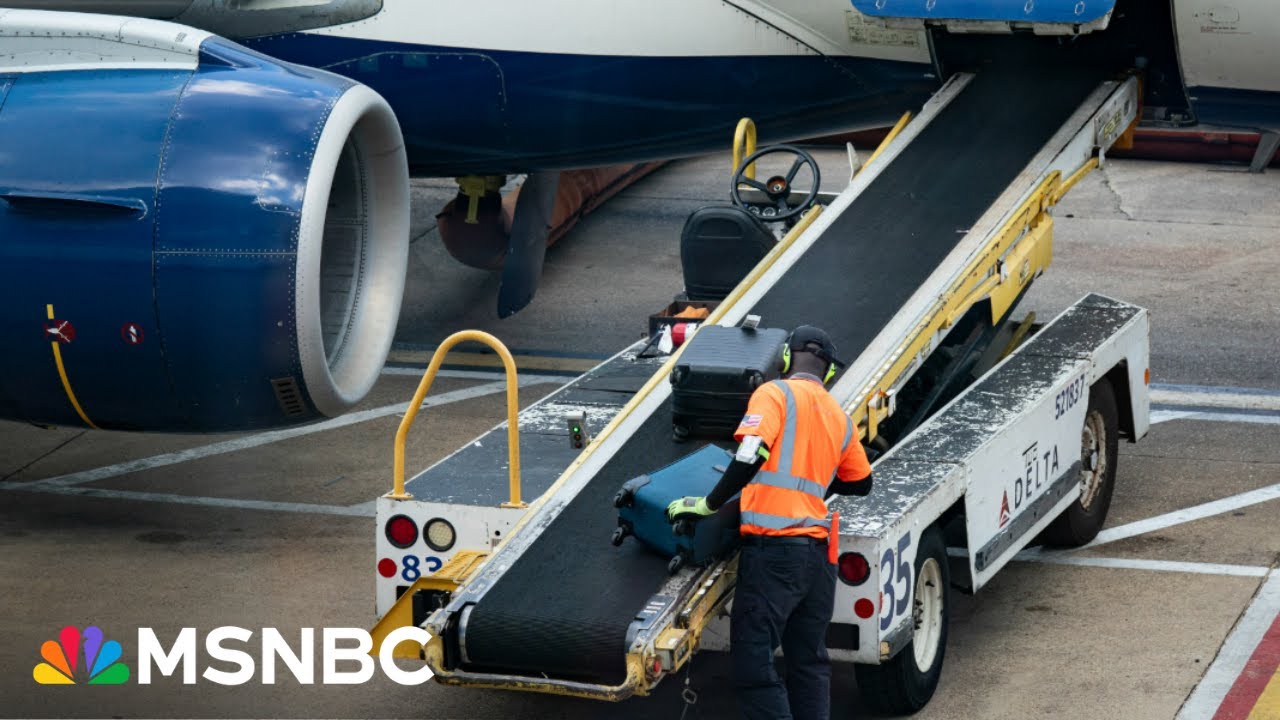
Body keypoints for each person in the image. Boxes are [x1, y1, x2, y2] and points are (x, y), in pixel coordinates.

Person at [667, 325, 872, 720]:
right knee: (810, 663)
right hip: (819, 559)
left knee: (754, 667)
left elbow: (749, 454)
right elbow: (862, 483)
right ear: (828, 373)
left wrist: (710, 503)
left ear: (783, 359)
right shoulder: (838, 416)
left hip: (775, 554)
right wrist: (811, 485)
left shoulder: (773, 393)